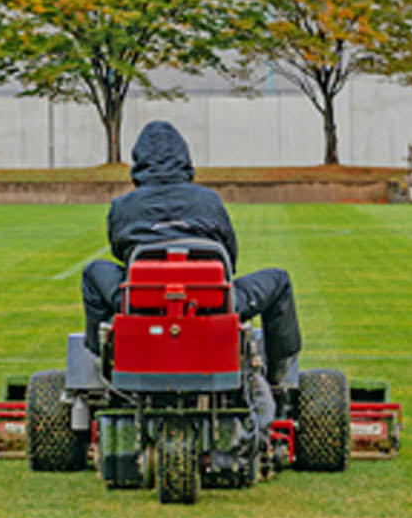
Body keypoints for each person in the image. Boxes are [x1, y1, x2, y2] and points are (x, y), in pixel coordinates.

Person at [81, 121, 301, 382]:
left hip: (140, 301)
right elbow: (229, 257)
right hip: (213, 303)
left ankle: (105, 355)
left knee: (94, 271)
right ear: (184, 159)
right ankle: (277, 375)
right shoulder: (208, 200)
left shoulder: (123, 205)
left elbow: (120, 252)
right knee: (279, 280)